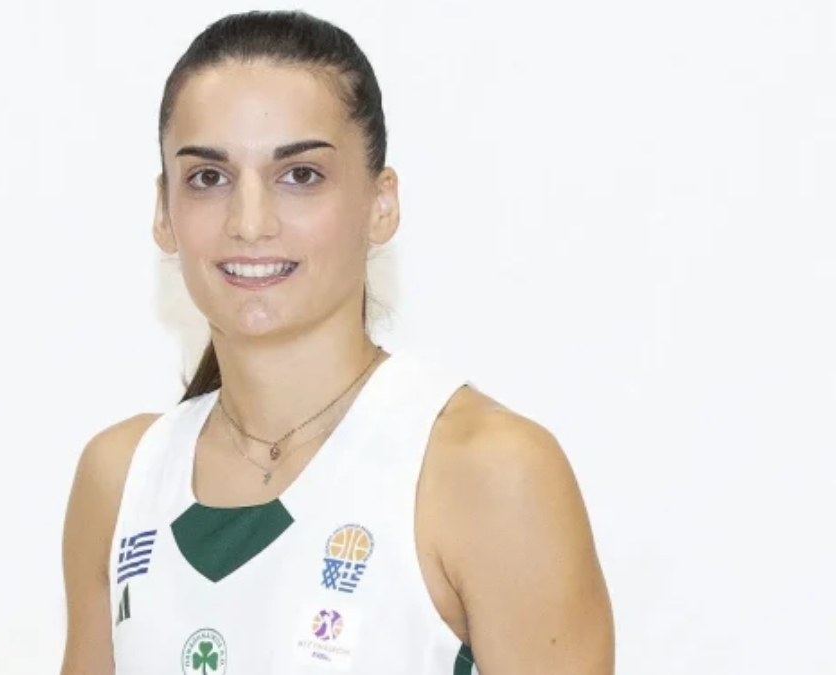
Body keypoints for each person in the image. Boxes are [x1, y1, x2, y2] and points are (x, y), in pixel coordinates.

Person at [60, 10, 613, 675]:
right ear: (163, 211)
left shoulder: (489, 473)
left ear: (382, 203)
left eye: (300, 175)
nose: (250, 223)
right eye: (209, 177)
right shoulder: (121, 480)